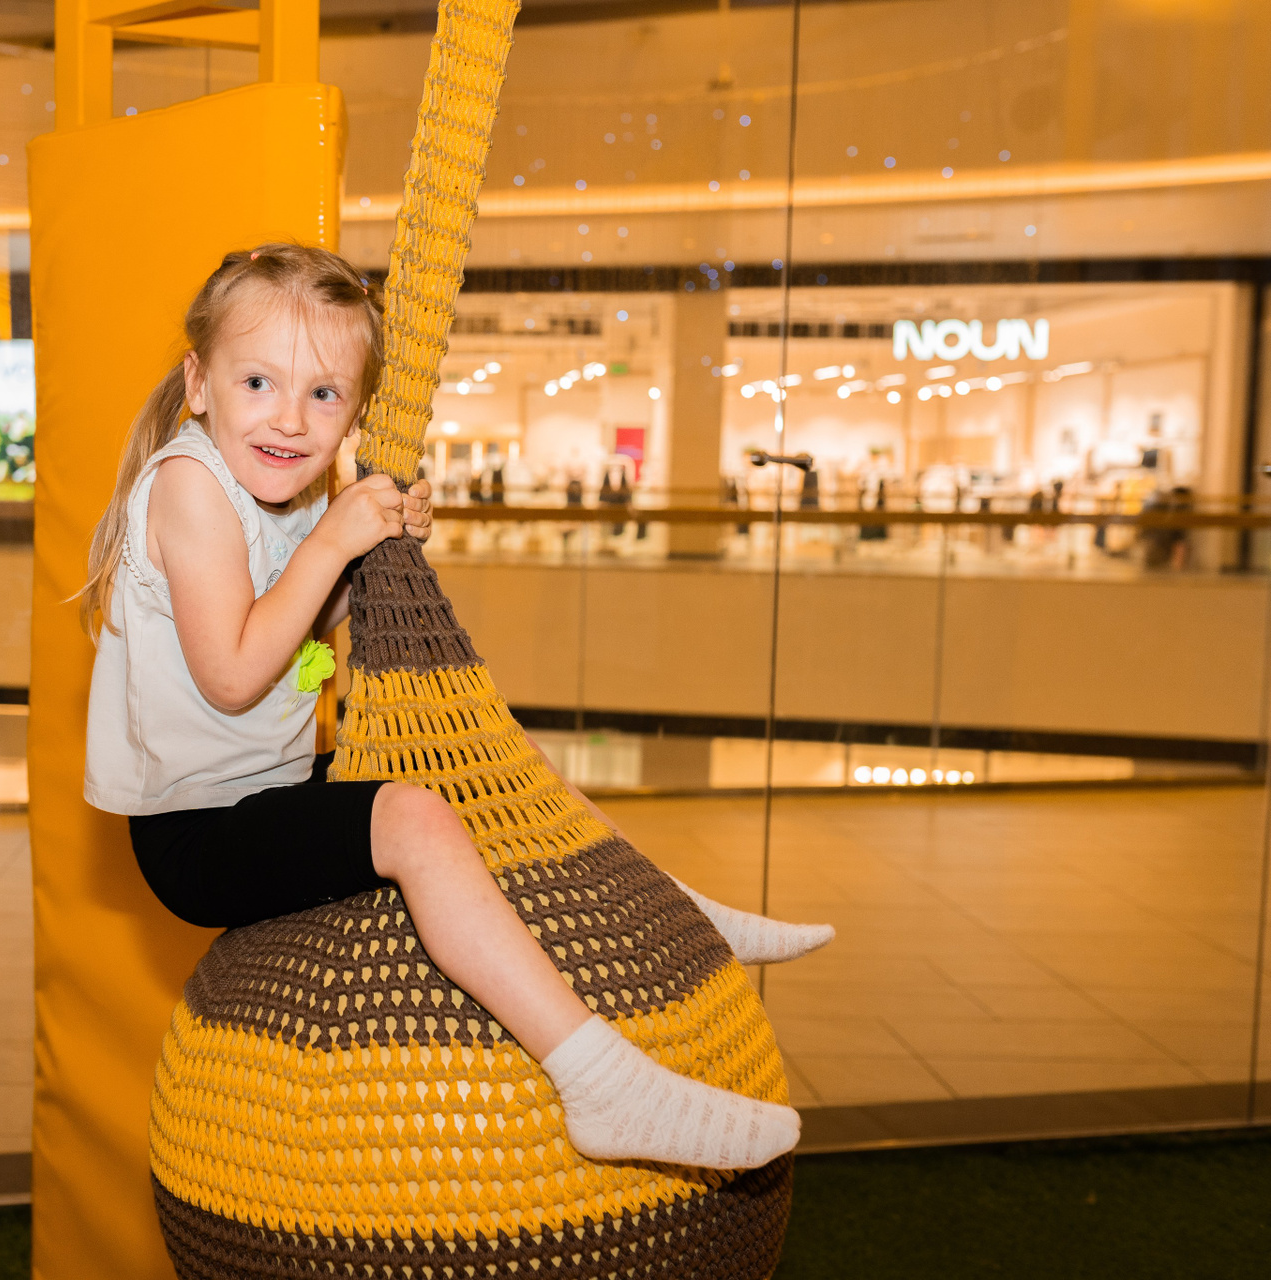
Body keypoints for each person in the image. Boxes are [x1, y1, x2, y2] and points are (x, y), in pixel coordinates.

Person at [79, 243, 809, 1171]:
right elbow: (230, 673)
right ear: (199, 384)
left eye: (323, 394)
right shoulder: (189, 484)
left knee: (478, 764)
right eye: (258, 382)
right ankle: (599, 1080)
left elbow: (299, 628)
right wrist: (333, 539)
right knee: (415, 822)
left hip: (260, 786)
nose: (289, 419)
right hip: (194, 830)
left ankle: (673, 905)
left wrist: (365, 551)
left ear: (354, 408)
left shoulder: (292, 491)